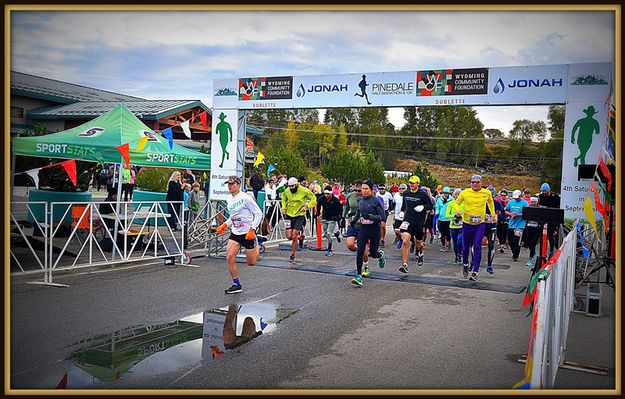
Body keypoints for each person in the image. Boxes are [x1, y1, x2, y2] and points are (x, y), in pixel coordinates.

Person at [215, 175, 263, 294]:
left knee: (251, 263)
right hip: (236, 232)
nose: (230, 186)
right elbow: (233, 217)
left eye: (232, 184)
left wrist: (252, 229)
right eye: (228, 184)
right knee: (229, 257)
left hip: (248, 233)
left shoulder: (246, 198)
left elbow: (258, 214)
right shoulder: (229, 199)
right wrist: (225, 225)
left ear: (238, 185)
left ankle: (258, 242)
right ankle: (236, 284)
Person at [453, 175, 496, 281]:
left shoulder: (486, 193)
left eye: (477, 182)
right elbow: (456, 203)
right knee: (465, 247)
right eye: (473, 182)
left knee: (477, 246)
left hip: (480, 224)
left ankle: (475, 271)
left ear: (481, 183)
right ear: (470, 183)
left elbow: (490, 202)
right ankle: (465, 264)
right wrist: (457, 210)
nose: (475, 184)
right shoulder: (465, 192)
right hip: (467, 223)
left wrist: (493, 214)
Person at [351, 180, 386, 286]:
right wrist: (354, 220)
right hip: (363, 229)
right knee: (360, 251)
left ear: (371, 190)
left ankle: (380, 255)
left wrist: (370, 217)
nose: (364, 191)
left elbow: (382, 217)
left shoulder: (376, 201)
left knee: (373, 253)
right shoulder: (360, 200)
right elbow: (359, 212)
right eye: (363, 189)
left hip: (374, 229)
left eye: (366, 189)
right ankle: (358, 276)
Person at [398, 175, 433, 273]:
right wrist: (402, 211)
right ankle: (405, 264)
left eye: (413, 183)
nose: (411, 185)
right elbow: (404, 205)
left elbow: (430, 205)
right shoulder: (406, 193)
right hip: (407, 221)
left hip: (418, 222)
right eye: (410, 183)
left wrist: (423, 207)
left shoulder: (423, 194)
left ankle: (420, 252)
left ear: (418, 184)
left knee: (419, 244)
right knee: (405, 241)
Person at [281, 177, 317, 263]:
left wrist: (307, 206)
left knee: (294, 235)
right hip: (289, 215)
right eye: (289, 186)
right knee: (289, 236)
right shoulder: (287, 191)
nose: (291, 188)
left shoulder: (304, 190)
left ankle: (292, 254)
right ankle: (300, 238)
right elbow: (284, 198)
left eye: (292, 186)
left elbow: (313, 199)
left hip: (299, 215)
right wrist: (283, 207)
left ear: (297, 184)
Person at [343, 180, 370, 275]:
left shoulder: (368, 198)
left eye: (359, 190)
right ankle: (361, 251)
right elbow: (346, 207)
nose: (357, 193)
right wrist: (343, 217)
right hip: (353, 224)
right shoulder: (350, 196)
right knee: (350, 245)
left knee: (363, 247)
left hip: (364, 225)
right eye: (355, 190)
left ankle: (366, 266)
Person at [482, 186, 504, 275]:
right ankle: (473, 262)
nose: (490, 197)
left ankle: (489, 265)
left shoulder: (497, 203)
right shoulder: (482, 203)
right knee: (475, 244)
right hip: (481, 226)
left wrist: (503, 219)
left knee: (491, 245)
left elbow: (502, 210)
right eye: (488, 195)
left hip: (492, 227)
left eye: (492, 195)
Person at [316, 186, 342, 256]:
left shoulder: (336, 200)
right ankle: (336, 234)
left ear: (331, 193)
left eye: (328, 194)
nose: (326, 195)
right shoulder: (322, 198)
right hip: (324, 217)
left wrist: (338, 217)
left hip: (332, 219)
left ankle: (329, 249)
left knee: (329, 233)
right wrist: (318, 214)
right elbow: (318, 205)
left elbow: (340, 209)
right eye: (325, 194)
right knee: (325, 234)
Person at [537, 182, 561, 258]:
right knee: (542, 235)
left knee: (551, 235)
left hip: (552, 219)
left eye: (545, 191)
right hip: (543, 219)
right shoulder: (540, 197)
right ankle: (542, 251)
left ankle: (551, 250)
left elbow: (559, 208)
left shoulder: (555, 197)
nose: (544, 193)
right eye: (543, 191)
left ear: (548, 190)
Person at [505, 189, 529, 262]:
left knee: (517, 241)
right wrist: (511, 214)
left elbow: (527, 213)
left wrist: (517, 215)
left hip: (520, 225)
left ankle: (515, 255)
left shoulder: (525, 203)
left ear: (520, 196)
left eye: (517, 197)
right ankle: (513, 251)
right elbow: (506, 210)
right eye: (515, 197)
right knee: (510, 240)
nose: (516, 199)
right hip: (511, 224)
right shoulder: (511, 202)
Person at [446, 188, 464, 265]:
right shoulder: (451, 203)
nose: (457, 196)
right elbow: (446, 215)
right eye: (456, 194)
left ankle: (461, 254)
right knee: (455, 243)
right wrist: (454, 215)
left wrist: (461, 215)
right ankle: (457, 256)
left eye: (459, 194)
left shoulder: (465, 204)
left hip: (462, 226)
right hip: (453, 226)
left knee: (460, 241)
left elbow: (467, 213)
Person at [524, 196, 542, 267]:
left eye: (534, 202)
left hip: (537, 229)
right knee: (528, 243)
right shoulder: (528, 208)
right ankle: (533, 253)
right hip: (529, 227)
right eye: (532, 202)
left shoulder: (539, 209)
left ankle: (530, 259)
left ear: (537, 202)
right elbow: (525, 217)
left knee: (533, 243)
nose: (533, 203)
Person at [435, 187, 453, 252]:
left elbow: (453, 208)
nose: (445, 194)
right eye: (444, 193)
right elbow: (437, 207)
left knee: (448, 233)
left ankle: (449, 242)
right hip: (441, 219)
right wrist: (437, 213)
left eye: (447, 193)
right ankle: (443, 245)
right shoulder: (439, 200)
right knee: (442, 233)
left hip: (448, 219)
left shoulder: (452, 200)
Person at [392, 183, 407, 249]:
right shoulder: (396, 195)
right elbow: (393, 204)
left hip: (406, 216)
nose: (401, 190)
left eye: (403, 189)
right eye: (400, 188)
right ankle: (400, 238)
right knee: (396, 230)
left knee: (405, 232)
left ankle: (407, 244)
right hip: (397, 215)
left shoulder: (408, 196)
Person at [496, 189, 509, 253]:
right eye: (502, 195)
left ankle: (502, 244)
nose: (503, 196)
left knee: (504, 231)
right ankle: (501, 242)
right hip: (499, 218)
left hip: (506, 218)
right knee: (499, 231)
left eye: (504, 195)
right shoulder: (498, 201)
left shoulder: (509, 201)